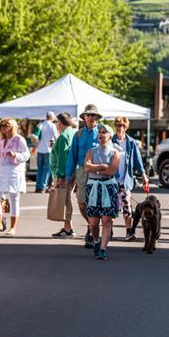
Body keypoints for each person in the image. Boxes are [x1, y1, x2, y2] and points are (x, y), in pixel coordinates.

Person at [65, 104, 101, 248]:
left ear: (97, 117)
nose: (91, 117)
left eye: (93, 115)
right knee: (82, 204)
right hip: (82, 171)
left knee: (95, 203)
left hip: (98, 172)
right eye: (88, 115)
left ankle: (92, 232)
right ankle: (92, 225)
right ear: (84, 117)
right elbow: (72, 156)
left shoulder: (102, 132)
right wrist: (68, 175)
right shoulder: (78, 134)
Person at [84, 124, 121, 260]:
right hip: (93, 187)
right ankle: (96, 241)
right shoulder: (91, 151)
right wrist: (102, 166)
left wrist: (96, 170)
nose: (101, 134)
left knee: (106, 221)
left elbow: (112, 171)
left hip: (109, 187)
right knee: (93, 223)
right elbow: (87, 167)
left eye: (104, 132)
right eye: (100, 132)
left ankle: (103, 249)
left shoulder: (115, 152)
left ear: (110, 136)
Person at [112, 116, 149, 240]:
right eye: (118, 125)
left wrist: (144, 176)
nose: (120, 127)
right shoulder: (110, 141)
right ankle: (109, 230)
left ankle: (129, 231)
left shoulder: (131, 142)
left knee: (126, 204)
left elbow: (138, 161)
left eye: (122, 125)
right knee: (112, 206)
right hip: (112, 179)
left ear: (126, 127)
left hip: (125, 180)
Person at [0, 118, 31, 236]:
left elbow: (27, 154)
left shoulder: (19, 139)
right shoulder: (1, 139)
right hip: (1, 170)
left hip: (14, 171)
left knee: (13, 199)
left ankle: (13, 227)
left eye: (6, 125)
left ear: (12, 126)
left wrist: (16, 155)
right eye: (1, 125)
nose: (3, 127)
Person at [50, 112, 77, 238]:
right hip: (71, 171)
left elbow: (63, 158)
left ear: (60, 122)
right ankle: (68, 227)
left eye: (57, 122)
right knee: (67, 198)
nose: (56, 124)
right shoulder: (72, 132)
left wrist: (60, 176)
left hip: (64, 173)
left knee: (65, 200)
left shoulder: (63, 136)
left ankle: (68, 229)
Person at [34, 111, 59, 193]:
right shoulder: (52, 125)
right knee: (47, 169)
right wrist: (52, 147)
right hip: (48, 150)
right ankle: (43, 186)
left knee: (40, 169)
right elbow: (55, 137)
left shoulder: (41, 124)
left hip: (40, 149)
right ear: (51, 117)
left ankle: (38, 186)